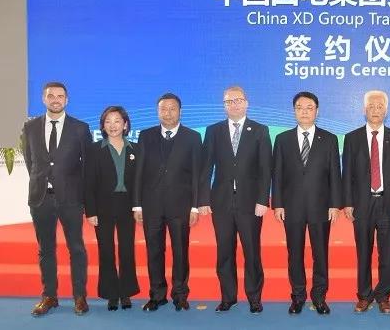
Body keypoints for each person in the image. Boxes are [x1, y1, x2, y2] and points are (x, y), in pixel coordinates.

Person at [199, 86, 272, 313]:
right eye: (229, 101)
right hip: (221, 202)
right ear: (224, 105)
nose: (234, 105)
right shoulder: (213, 131)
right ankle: (228, 297)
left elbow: (265, 168)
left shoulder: (260, 130)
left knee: (252, 252)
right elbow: (205, 167)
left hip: (250, 203)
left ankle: (254, 298)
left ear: (246, 103)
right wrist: (203, 199)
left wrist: (263, 200)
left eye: (238, 100)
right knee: (224, 252)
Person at [22, 81, 92, 316]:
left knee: (77, 248)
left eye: (60, 96)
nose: (55, 100)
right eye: (50, 96)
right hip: (41, 198)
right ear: (44, 99)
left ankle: (80, 296)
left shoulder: (80, 128)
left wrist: (84, 198)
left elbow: (87, 167)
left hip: (71, 198)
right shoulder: (30, 127)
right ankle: (49, 296)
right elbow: (31, 162)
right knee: (46, 249)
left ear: (66, 100)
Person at [271, 91, 342, 315]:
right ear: (294, 111)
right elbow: (277, 174)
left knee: (320, 254)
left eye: (309, 108)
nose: (304, 112)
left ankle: (319, 297)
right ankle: (298, 296)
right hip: (291, 207)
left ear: (317, 111)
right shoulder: (282, 139)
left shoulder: (329, 139)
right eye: (300, 108)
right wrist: (278, 203)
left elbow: (335, 174)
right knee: (295, 254)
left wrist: (334, 204)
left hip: (321, 206)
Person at [133, 93, 203, 312]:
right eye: (163, 109)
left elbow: (197, 174)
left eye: (172, 109)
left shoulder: (192, 137)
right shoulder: (146, 135)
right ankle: (157, 295)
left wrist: (195, 206)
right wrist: (137, 204)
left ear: (180, 111)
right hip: (151, 205)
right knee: (154, 251)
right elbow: (138, 172)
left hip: (180, 205)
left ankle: (180, 294)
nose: (168, 113)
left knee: (180, 251)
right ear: (158, 112)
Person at [342, 90, 390, 314]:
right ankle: (364, 295)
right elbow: (347, 174)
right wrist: (348, 202)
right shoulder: (352, 138)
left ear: (386, 111)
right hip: (362, 204)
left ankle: (384, 296)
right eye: (371, 106)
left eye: (380, 107)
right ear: (364, 110)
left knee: (387, 252)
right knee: (363, 251)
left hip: (388, 203)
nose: (376, 110)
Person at [84, 106, 140, 311]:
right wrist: (90, 211)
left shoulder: (135, 149)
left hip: (127, 206)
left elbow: (140, 181)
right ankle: (110, 293)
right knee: (106, 250)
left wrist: (139, 206)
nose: (113, 125)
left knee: (127, 249)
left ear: (125, 124)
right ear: (103, 126)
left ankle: (126, 292)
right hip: (103, 207)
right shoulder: (94, 149)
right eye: (108, 121)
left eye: (117, 121)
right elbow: (88, 183)